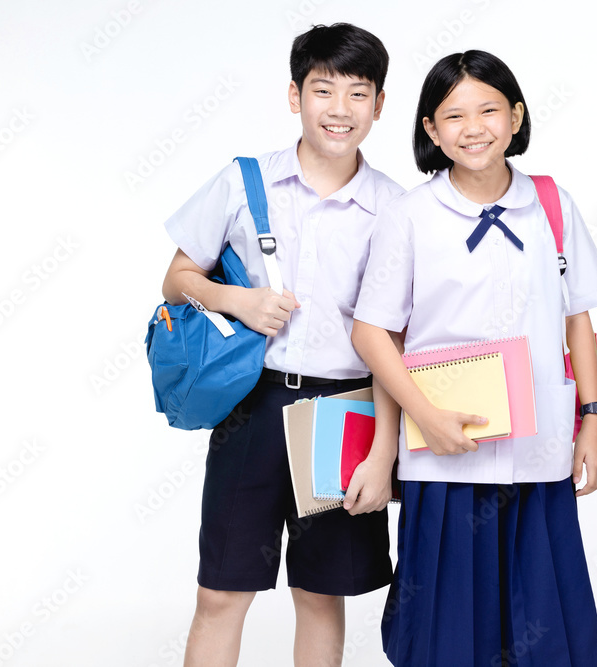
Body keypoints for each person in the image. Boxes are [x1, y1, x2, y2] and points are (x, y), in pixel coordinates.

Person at [351, 50, 597, 666]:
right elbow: (372, 332)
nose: (474, 128)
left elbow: (578, 319)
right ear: (431, 130)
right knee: (446, 630)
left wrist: (593, 418)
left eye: (490, 109)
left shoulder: (553, 204)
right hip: (446, 455)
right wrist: (427, 418)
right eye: (454, 115)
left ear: (516, 117)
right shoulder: (409, 214)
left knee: (545, 626)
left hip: (539, 451)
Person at [160, 22, 405, 667]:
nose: (340, 109)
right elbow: (177, 279)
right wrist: (236, 300)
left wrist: (384, 451)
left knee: (321, 596)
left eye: (358, 94)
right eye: (324, 90)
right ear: (295, 96)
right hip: (255, 408)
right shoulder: (244, 182)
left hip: (347, 412)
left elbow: (397, 342)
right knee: (221, 593)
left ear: (380, 105)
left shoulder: (396, 208)